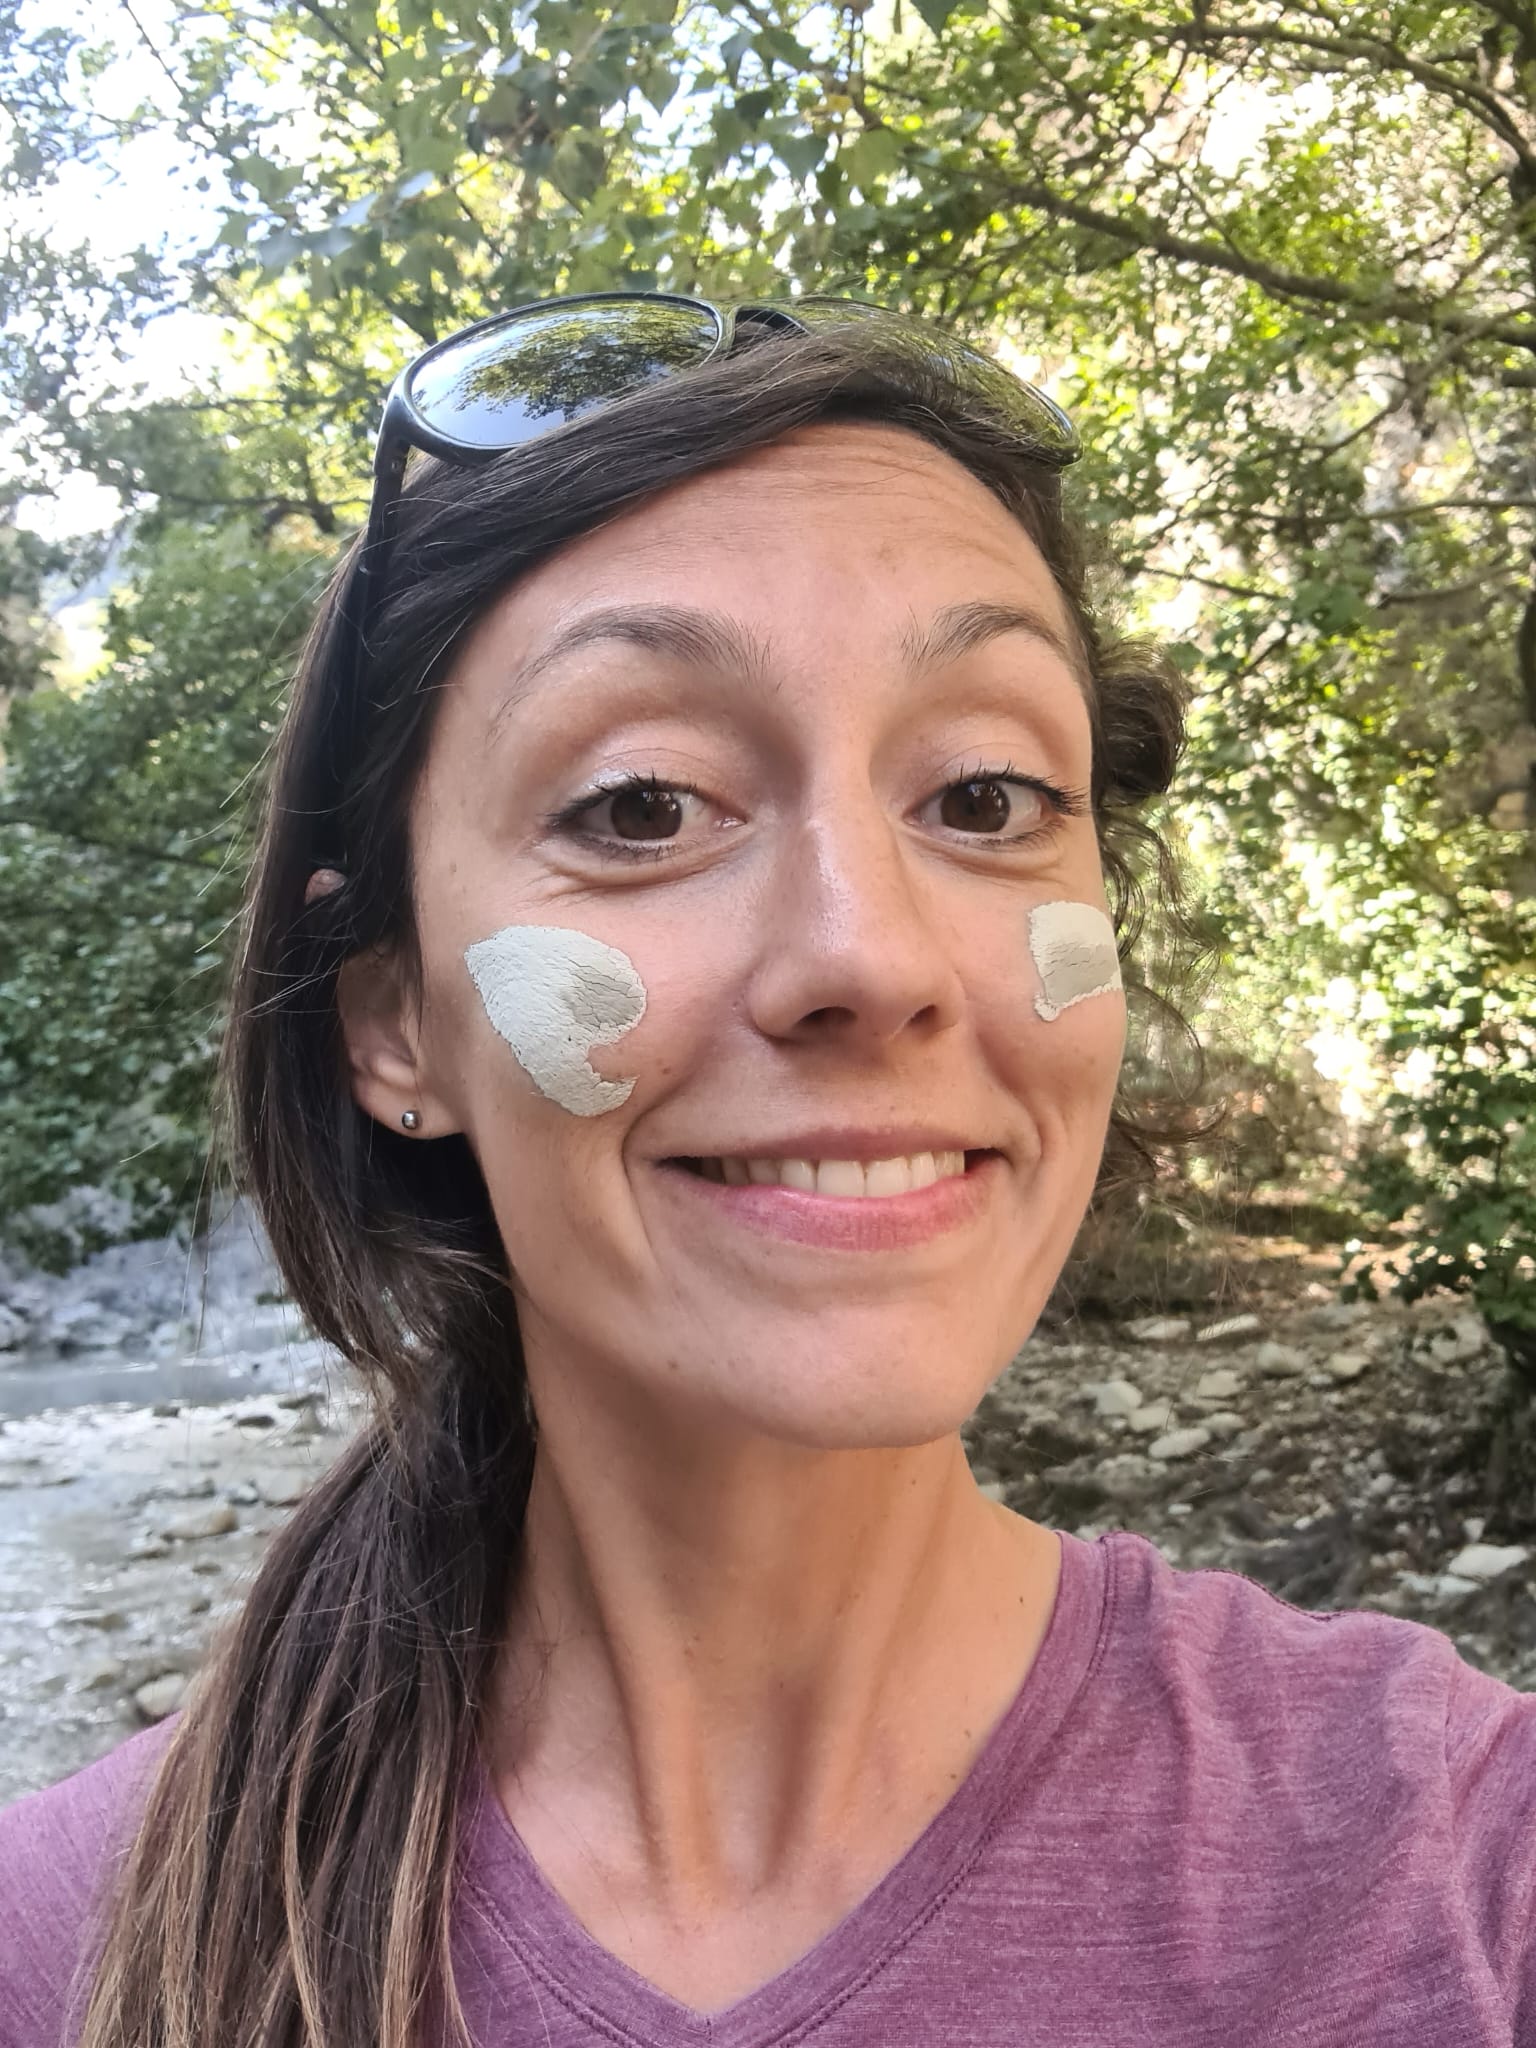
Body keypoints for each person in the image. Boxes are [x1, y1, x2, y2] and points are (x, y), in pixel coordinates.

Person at [2, 292, 1533, 2048]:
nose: (870, 956)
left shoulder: (1458, 1864)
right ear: (396, 1022)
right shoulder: (64, 1952)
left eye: (985, 797)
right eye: (643, 805)